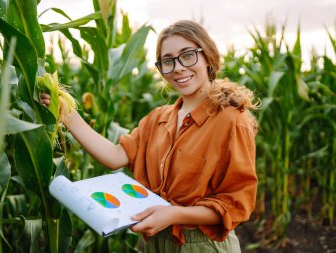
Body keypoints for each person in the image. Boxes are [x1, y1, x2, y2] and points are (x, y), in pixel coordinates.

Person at [41, 20, 259, 253]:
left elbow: (236, 204)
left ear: (208, 57)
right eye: (168, 61)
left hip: (202, 244)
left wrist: (174, 214)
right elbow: (115, 156)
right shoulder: (158, 118)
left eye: (187, 56)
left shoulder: (232, 120)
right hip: (156, 242)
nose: (177, 68)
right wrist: (68, 114)